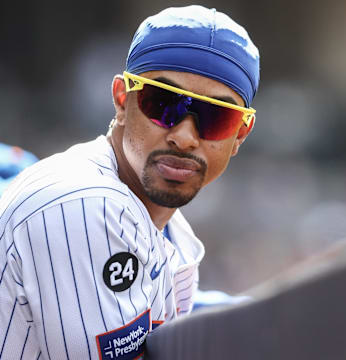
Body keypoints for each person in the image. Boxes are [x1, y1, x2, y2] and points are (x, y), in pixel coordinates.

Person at [0, 5, 260, 359]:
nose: (185, 136)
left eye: (217, 118)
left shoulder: (163, 223)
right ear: (122, 100)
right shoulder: (84, 201)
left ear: (240, 135)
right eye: (163, 103)